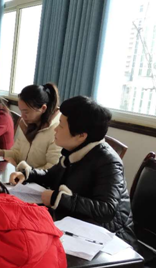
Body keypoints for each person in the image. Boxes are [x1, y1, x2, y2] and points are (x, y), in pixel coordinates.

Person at [9, 96, 136, 244]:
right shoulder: (74, 150)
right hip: (77, 227)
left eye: (61, 126)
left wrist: (59, 199)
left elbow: (106, 210)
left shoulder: (109, 162)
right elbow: (52, 175)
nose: (56, 129)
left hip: (110, 240)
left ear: (81, 136)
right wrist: (28, 174)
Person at [0, 83, 61, 170]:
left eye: (26, 112)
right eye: (21, 111)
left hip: (34, 178)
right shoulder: (26, 123)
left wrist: (25, 172)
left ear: (43, 108)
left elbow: (52, 169)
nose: (22, 116)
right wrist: (1, 153)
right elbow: (17, 153)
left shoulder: (56, 130)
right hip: (20, 175)